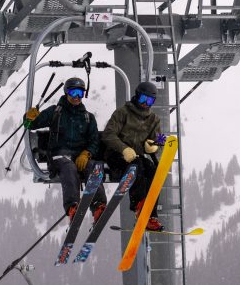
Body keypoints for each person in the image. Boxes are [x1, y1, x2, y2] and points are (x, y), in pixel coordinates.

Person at [24, 77, 107, 221]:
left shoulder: (88, 117)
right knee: (68, 167)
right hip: (58, 155)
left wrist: (86, 154)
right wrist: (29, 118)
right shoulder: (55, 112)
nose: (77, 97)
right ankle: (72, 207)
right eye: (74, 92)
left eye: (80, 93)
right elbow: (31, 124)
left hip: (79, 156)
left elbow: (94, 140)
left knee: (94, 167)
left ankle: (98, 206)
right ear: (66, 92)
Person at [102, 80, 164, 232]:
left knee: (153, 171)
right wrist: (123, 149)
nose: (145, 103)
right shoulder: (122, 113)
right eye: (143, 98)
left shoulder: (154, 119)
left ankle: (150, 215)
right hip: (116, 155)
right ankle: (139, 205)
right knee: (138, 167)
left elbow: (160, 139)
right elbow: (108, 134)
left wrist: (153, 146)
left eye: (150, 100)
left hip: (137, 156)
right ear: (136, 96)